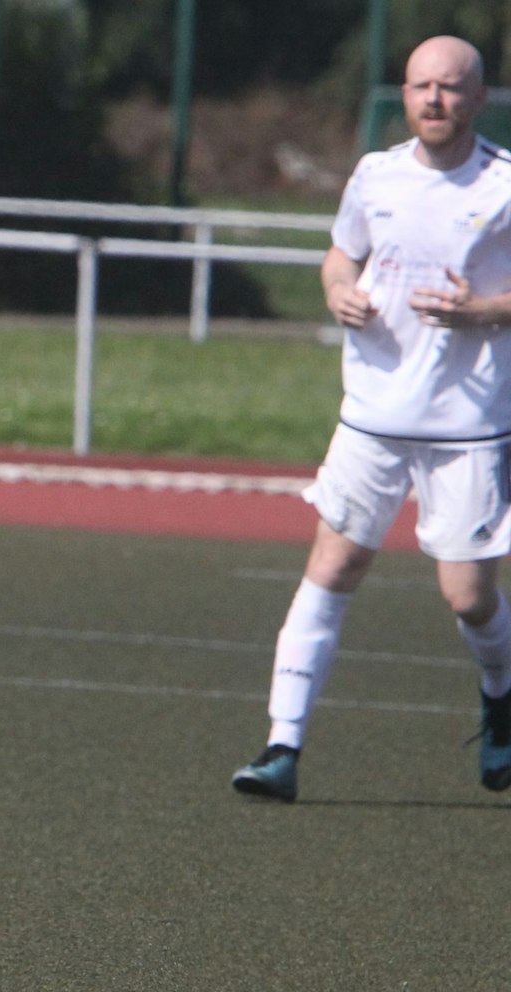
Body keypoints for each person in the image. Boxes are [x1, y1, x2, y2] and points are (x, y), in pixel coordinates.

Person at [233, 35, 511, 803]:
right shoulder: (375, 174)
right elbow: (338, 255)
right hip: (373, 418)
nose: (433, 100)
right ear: (406, 92)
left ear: (478, 98)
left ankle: (500, 698)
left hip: (469, 425)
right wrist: (337, 292)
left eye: (450, 88)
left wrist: (485, 309)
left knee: (468, 597)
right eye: (421, 85)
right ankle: (281, 746)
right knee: (334, 565)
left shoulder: (505, 185)